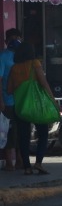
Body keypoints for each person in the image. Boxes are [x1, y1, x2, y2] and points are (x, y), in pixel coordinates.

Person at [8, 40, 56, 176]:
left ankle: (27, 167)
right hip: (36, 106)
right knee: (43, 134)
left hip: (21, 107)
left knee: (23, 137)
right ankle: (39, 163)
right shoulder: (35, 64)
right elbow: (44, 83)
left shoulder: (14, 68)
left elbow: (9, 89)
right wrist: (53, 101)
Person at [0, 30, 16, 171]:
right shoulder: (3, 56)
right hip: (8, 100)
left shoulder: (24, 56)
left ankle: (21, 161)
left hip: (22, 100)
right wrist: (1, 100)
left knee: (21, 131)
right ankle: (9, 162)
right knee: (7, 132)